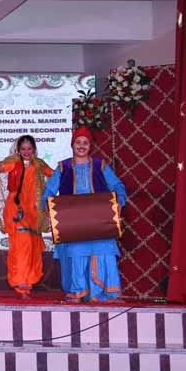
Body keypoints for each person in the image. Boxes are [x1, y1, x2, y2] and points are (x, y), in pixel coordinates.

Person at [41, 127, 127, 303]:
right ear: (72, 145)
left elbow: (117, 186)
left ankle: (107, 293)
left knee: (103, 251)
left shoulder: (100, 165)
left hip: (100, 221)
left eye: (85, 143)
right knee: (76, 253)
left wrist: (119, 202)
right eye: (78, 142)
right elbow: (48, 191)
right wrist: (48, 208)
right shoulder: (63, 167)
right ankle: (78, 292)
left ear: (90, 146)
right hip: (74, 223)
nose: (81, 146)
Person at [0, 136, 54, 299]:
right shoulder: (14, 162)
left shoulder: (39, 164)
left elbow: (54, 174)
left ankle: (27, 283)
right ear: (18, 150)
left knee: (32, 247)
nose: (26, 152)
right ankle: (22, 284)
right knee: (22, 245)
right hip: (16, 210)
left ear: (34, 149)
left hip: (33, 212)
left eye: (29, 148)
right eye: (23, 149)